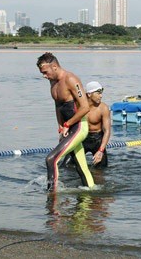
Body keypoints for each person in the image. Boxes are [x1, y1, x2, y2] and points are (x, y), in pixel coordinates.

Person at [36, 52, 95, 191]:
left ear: (55, 66)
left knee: (51, 159)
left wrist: (68, 124)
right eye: (42, 73)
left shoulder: (71, 79)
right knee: (81, 168)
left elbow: (85, 107)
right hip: (68, 128)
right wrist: (60, 127)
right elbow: (58, 105)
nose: (44, 76)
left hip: (80, 126)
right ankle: (92, 193)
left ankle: (52, 197)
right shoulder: (53, 82)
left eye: (45, 72)